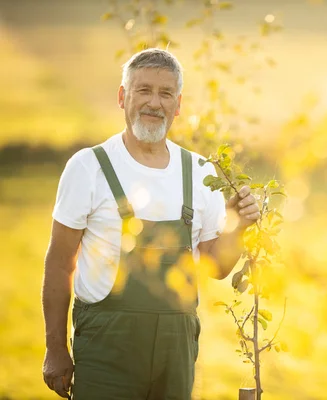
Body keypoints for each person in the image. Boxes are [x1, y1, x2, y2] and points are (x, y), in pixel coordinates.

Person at [41, 48, 259, 399]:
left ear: (179, 104)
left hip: (176, 352)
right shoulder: (89, 167)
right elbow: (59, 260)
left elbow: (216, 267)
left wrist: (238, 225)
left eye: (165, 93)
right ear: (122, 97)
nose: (154, 103)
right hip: (105, 347)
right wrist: (54, 349)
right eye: (143, 90)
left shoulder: (200, 172)